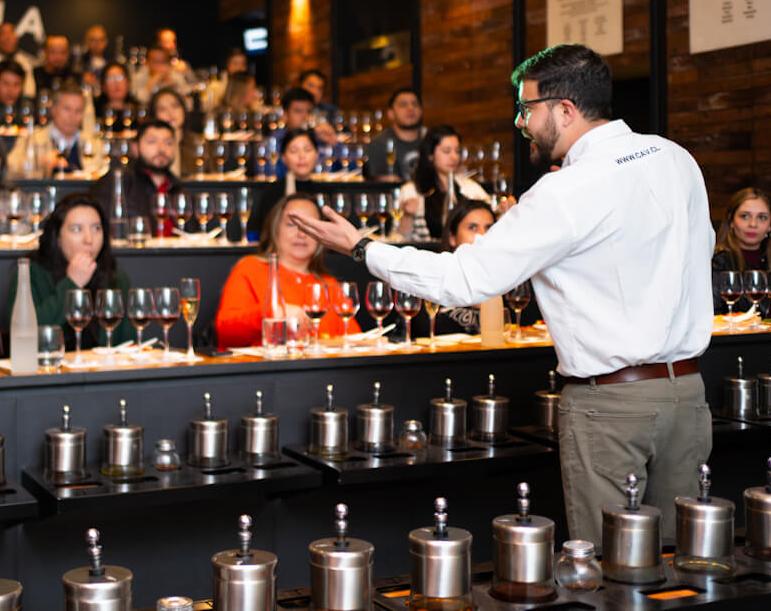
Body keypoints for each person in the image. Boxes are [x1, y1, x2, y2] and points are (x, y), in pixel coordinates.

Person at [290, 44, 714, 545]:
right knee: (684, 560)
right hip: (689, 395)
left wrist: (362, 248)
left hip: (613, 406)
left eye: (526, 107)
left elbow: (464, 280)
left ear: (565, 110)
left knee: (614, 563)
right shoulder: (676, 158)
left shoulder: (566, 190)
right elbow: (699, 250)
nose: (519, 122)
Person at [215, 193, 361, 349]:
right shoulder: (250, 269)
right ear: (275, 229)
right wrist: (273, 313)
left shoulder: (329, 285)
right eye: (292, 224)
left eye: (310, 227)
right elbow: (225, 331)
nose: (301, 234)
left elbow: (356, 342)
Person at [6, 193, 135, 349]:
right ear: (58, 237)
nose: (89, 239)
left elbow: (129, 346)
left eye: (96, 228)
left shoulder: (117, 279)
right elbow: (24, 337)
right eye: (76, 229)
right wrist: (72, 283)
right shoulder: (30, 274)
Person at [397, 125, 491, 241]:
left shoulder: (471, 189)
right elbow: (400, 239)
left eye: (457, 151)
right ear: (430, 155)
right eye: (447, 151)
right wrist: (408, 216)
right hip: (426, 251)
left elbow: (491, 226)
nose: (454, 157)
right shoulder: (411, 190)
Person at [711, 188, 771, 316]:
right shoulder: (719, 262)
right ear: (731, 221)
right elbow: (712, 316)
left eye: (762, 217)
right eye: (745, 216)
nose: (753, 224)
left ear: (770, 225)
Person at [92, 120, 181, 226]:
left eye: (168, 143)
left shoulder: (178, 188)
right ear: (135, 148)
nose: (162, 149)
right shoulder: (118, 182)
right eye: (152, 142)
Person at [430, 200, 496, 335]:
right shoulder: (433, 280)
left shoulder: (509, 282)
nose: (482, 235)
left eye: (489, 228)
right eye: (472, 227)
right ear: (452, 238)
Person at [245, 129, 320, 239]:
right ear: (283, 157)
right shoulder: (270, 193)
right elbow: (254, 232)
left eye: (307, 150)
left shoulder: (325, 193)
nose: (301, 156)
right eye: (294, 151)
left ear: (317, 154)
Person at [7, 83, 87, 177]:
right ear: (53, 109)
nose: (72, 116)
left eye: (78, 110)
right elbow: (8, 169)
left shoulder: (94, 144)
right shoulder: (32, 140)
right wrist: (39, 162)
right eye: (67, 109)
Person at [364, 88, 424, 181]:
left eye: (415, 104)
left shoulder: (431, 139)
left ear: (421, 111)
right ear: (390, 113)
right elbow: (384, 181)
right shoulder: (378, 144)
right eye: (403, 105)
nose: (410, 108)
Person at [150, 88, 201, 178]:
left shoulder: (198, 143)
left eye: (175, 106)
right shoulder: (150, 147)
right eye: (163, 109)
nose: (170, 113)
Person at [0, 22, 37, 87]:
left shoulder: (26, 62)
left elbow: (29, 90)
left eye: (10, 32)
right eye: (3, 33)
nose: (7, 37)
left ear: (16, 38)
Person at [93, 62, 140, 133]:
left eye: (120, 77)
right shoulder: (94, 110)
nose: (116, 83)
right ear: (103, 85)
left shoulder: (138, 109)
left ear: (128, 82)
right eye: (110, 78)